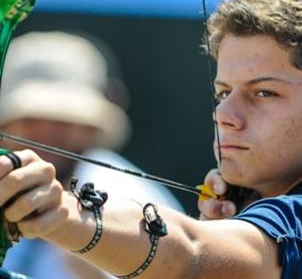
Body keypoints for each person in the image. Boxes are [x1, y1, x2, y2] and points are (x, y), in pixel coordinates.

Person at [0, 0, 302, 278]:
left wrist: (63, 215)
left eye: (263, 92)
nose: (225, 114)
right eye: (222, 91)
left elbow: (189, 254)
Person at [0, 31, 183, 278]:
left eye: (63, 119)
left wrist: (85, 245)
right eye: (31, 119)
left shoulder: (133, 201)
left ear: (90, 128)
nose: (46, 132)